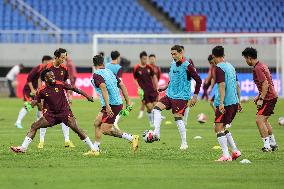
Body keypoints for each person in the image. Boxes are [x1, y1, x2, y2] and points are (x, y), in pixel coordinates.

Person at [10, 69, 98, 156]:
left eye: (53, 75)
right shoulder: (41, 90)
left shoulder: (60, 84)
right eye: (50, 76)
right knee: (34, 126)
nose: (53, 77)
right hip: (51, 115)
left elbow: (75, 89)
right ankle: (23, 148)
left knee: (77, 130)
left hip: (65, 113)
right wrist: (28, 107)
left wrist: (87, 96)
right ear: (45, 78)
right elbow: (35, 101)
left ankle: (93, 149)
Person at [152, 45, 202, 150]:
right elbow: (172, 78)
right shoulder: (172, 64)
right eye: (171, 54)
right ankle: (157, 133)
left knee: (178, 119)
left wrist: (195, 96)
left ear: (180, 53)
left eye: (175, 54)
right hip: (170, 94)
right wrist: (165, 86)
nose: (173, 56)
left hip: (181, 97)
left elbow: (198, 80)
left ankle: (184, 143)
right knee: (156, 109)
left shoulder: (187, 66)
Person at [90, 55, 139, 154]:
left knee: (105, 129)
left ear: (93, 64)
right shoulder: (110, 72)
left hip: (111, 105)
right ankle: (95, 149)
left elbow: (103, 89)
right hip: (116, 103)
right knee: (96, 123)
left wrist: (108, 106)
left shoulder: (96, 75)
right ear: (103, 62)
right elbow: (122, 85)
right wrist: (128, 101)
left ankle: (132, 138)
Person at [242, 47, 278, 152]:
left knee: (259, 120)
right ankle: (273, 143)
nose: (245, 61)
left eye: (245, 58)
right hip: (271, 96)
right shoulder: (262, 65)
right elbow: (267, 83)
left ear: (249, 58)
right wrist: (259, 96)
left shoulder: (257, 68)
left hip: (268, 97)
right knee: (264, 120)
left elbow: (265, 84)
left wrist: (261, 98)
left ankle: (267, 146)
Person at [38, 48, 75, 149]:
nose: (64, 59)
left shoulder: (64, 68)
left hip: (61, 97)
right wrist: (40, 94)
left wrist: (70, 95)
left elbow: (67, 82)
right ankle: (41, 141)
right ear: (57, 57)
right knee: (44, 118)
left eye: (65, 57)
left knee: (66, 117)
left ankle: (67, 140)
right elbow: (40, 80)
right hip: (48, 97)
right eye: (62, 57)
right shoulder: (48, 66)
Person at [212, 46, 241, 161]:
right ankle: (235, 151)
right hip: (234, 102)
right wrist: (238, 101)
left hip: (226, 103)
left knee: (218, 127)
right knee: (221, 127)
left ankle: (225, 155)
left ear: (214, 56)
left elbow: (222, 85)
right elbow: (237, 85)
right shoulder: (231, 67)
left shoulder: (219, 68)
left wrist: (221, 103)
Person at [15, 56, 53, 129]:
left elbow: (41, 81)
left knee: (40, 106)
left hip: (36, 91)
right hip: (28, 90)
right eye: (50, 61)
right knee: (29, 105)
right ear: (45, 61)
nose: (51, 63)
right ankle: (18, 122)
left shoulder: (46, 70)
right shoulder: (37, 68)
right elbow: (29, 79)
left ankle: (38, 122)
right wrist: (32, 89)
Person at [133, 51, 158, 127]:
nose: (145, 60)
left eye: (146, 59)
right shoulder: (137, 68)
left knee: (156, 106)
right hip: (144, 92)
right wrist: (138, 87)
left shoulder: (149, 67)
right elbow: (135, 79)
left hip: (151, 89)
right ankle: (151, 122)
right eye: (144, 59)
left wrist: (156, 86)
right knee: (150, 107)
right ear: (140, 59)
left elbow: (154, 76)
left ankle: (155, 122)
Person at [137, 54, 161, 119]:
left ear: (155, 59)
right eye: (151, 59)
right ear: (149, 59)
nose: (152, 60)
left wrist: (156, 86)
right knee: (145, 103)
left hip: (153, 89)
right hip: (146, 89)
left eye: (153, 59)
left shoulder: (157, 68)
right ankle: (142, 114)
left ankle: (157, 116)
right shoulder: (146, 68)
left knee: (156, 103)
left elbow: (157, 77)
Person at [105, 51, 123, 129]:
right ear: (118, 57)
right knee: (120, 107)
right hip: (115, 90)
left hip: (106, 89)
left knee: (109, 106)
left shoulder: (106, 65)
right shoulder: (118, 67)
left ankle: (110, 123)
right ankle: (114, 122)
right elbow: (120, 81)